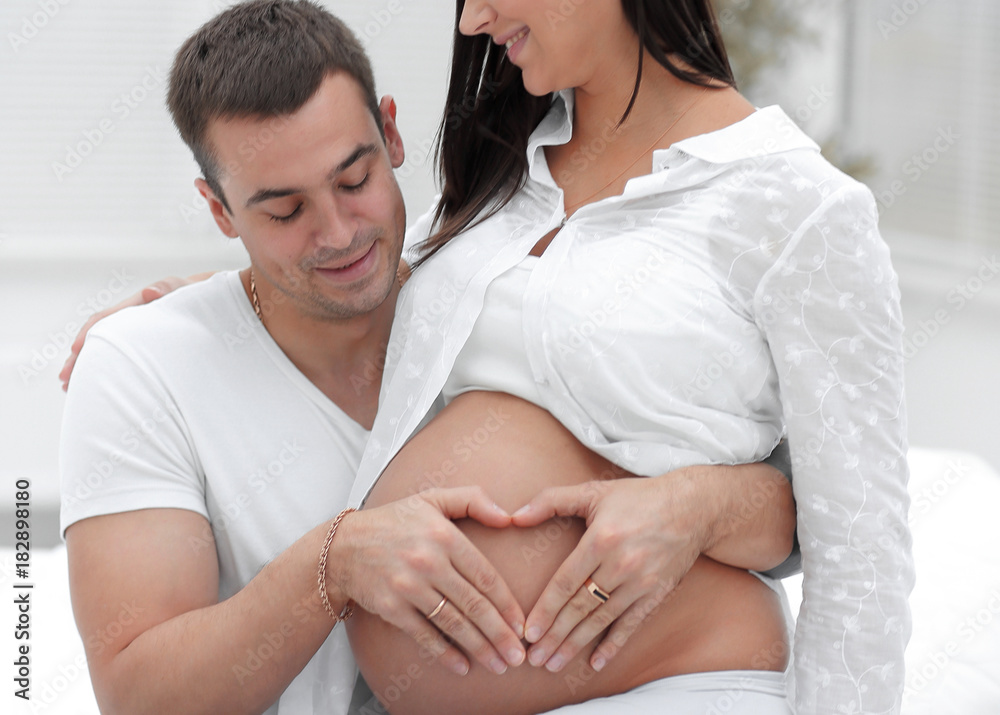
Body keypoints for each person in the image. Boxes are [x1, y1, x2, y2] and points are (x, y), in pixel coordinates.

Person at [59, 2, 797, 714]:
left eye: (356, 181)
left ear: (391, 134)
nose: (339, 232)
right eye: (284, 212)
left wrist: (696, 506)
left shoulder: (487, 298)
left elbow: (789, 508)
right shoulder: (139, 367)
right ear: (219, 210)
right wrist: (334, 564)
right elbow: (139, 694)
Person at [341, 0, 914, 713]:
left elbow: (863, 550)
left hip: (677, 687)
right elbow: (371, 317)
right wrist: (228, 303)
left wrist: (700, 504)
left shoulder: (796, 206)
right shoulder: (500, 168)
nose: (472, 21)